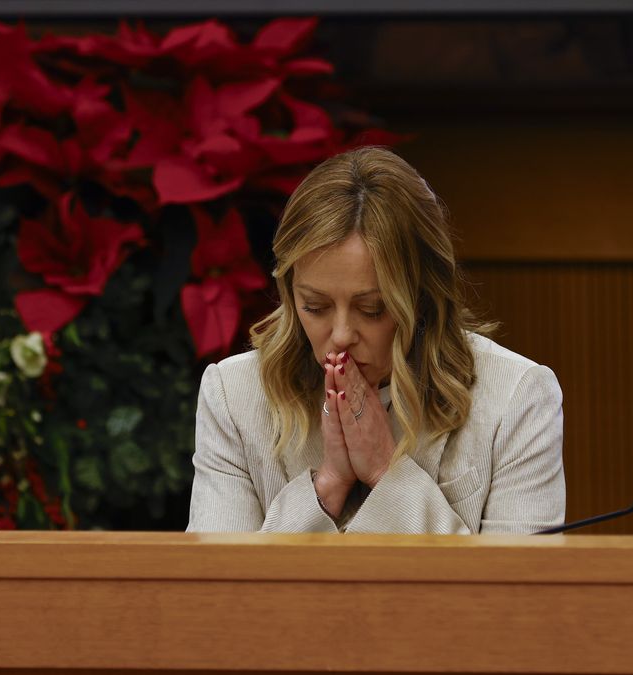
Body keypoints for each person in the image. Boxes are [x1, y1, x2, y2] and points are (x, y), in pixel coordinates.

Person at [186, 147, 565, 534]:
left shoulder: (517, 397)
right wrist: (328, 484)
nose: (340, 336)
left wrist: (388, 473)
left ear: (422, 297)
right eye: (315, 307)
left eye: (372, 310)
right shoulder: (234, 396)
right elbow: (218, 587)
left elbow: (516, 592)